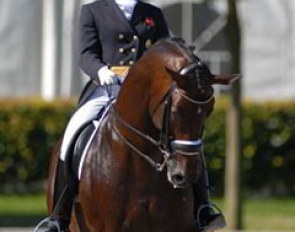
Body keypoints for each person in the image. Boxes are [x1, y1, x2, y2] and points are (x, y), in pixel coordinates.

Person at [49, 0, 225, 231]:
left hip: (145, 92)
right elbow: (86, 54)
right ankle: (59, 216)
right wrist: (101, 71)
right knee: (74, 132)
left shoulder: (153, 13)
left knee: (186, 140)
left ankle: (203, 208)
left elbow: (167, 48)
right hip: (107, 86)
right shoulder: (92, 11)